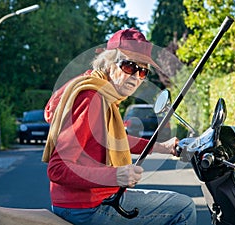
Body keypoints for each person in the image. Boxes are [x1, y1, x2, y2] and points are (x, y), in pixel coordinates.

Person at [42, 28, 196, 225]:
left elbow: (113, 140)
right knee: (183, 207)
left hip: (88, 201)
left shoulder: (104, 95)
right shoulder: (92, 98)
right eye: (129, 67)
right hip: (87, 207)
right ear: (108, 62)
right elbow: (57, 168)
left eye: (143, 71)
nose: (136, 77)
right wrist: (115, 175)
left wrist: (161, 147)